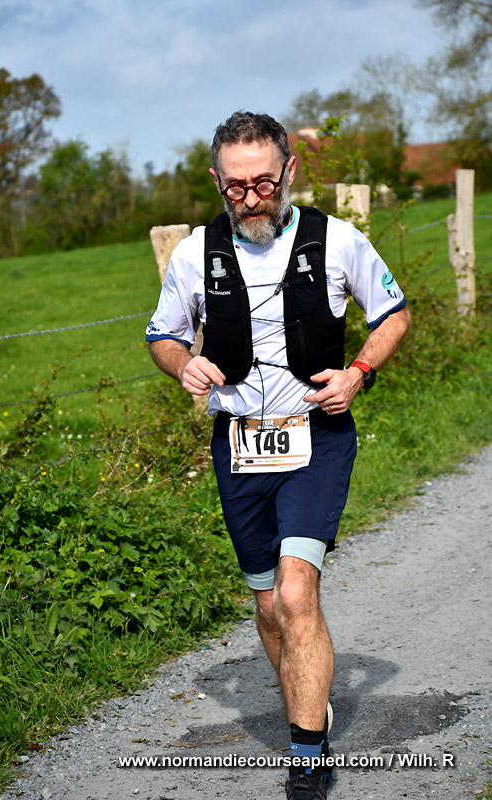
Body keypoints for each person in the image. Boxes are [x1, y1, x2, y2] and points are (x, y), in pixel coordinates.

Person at [146, 111, 411, 799]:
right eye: (236, 186)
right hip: (239, 443)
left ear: (289, 169)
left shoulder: (337, 239)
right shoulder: (194, 254)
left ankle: (306, 759)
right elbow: (162, 335)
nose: (252, 197)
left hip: (316, 435)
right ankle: (308, 704)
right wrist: (182, 364)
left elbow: (394, 313)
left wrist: (358, 373)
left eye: (264, 181)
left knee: (296, 592)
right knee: (268, 606)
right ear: (216, 181)